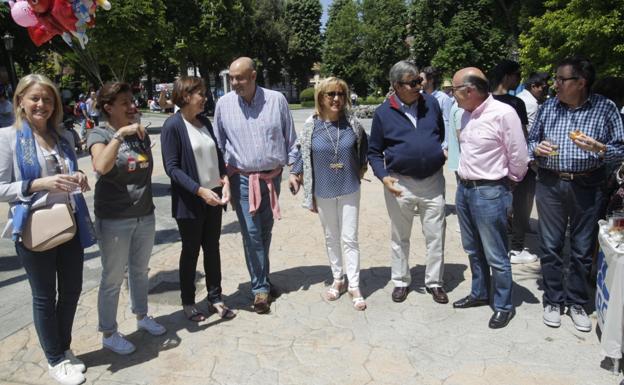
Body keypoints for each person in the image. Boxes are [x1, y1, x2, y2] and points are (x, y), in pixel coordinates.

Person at [0, 74, 92, 385]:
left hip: (69, 222)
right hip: (34, 227)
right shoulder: (8, 138)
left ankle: (63, 349)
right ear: (21, 101)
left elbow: (70, 170)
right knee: (44, 296)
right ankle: (54, 360)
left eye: (48, 99)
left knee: (71, 291)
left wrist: (78, 175)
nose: (42, 104)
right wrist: (38, 183)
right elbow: (0, 188)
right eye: (35, 98)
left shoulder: (62, 136)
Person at [528, 57, 624, 332]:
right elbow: (531, 139)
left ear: (580, 83)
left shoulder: (605, 109)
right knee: (550, 245)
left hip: (588, 184)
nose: (553, 84)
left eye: (560, 79)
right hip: (550, 183)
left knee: (582, 248)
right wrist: (537, 148)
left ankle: (578, 302)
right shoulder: (548, 107)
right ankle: (553, 300)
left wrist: (601, 149)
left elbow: (621, 147)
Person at [214, 57, 299, 314]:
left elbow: (291, 139)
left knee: (264, 233)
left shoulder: (277, 100)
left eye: (239, 77)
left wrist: (295, 171)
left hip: (272, 179)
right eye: (231, 78)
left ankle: (263, 278)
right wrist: (223, 178)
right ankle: (260, 289)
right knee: (251, 234)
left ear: (253, 76)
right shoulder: (223, 105)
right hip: (241, 179)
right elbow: (219, 145)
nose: (234, 83)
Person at [87, 82, 166, 356]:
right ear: (108, 108)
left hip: (144, 214)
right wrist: (119, 134)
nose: (132, 106)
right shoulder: (99, 133)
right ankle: (109, 332)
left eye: (132, 101)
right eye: (125, 103)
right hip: (114, 219)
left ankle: (142, 315)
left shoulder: (139, 133)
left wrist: (134, 131)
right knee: (112, 278)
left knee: (140, 271)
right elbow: (101, 166)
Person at [450, 67, 529, 329]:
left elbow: (518, 156)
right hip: (464, 189)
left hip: (490, 192)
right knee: (472, 248)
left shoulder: (504, 114)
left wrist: (510, 183)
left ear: (470, 90)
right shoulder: (464, 115)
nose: (453, 96)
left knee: (496, 253)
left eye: (455, 90)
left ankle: (503, 305)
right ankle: (480, 293)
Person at [368, 60, 448, 305]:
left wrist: (435, 153)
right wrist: (384, 177)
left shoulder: (431, 104)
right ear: (396, 85)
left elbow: (440, 135)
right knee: (400, 236)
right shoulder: (383, 113)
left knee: (436, 235)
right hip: (400, 184)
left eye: (419, 81)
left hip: (433, 182)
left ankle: (435, 282)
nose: (418, 86)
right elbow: (373, 152)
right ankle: (401, 281)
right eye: (412, 83)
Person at [160, 76, 235, 322]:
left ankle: (216, 298)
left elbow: (217, 152)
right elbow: (172, 168)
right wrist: (198, 190)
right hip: (191, 201)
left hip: (213, 197)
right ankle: (188, 302)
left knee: (212, 249)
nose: (205, 98)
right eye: (200, 93)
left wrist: (224, 179)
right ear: (185, 96)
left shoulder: (204, 122)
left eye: (204, 93)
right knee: (190, 251)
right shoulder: (173, 125)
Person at [291, 77, 368, 310]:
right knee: (331, 237)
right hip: (323, 189)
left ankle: (354, 284)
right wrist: (295, 174)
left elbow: (364, 147)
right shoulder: (311, 125)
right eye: (331, 94)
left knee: (349, 238)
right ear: (320, 98)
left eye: (341, 94)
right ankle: (338, 278)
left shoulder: (352, 123)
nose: (336, 99)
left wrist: (361, 167)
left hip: (349, 187)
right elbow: (301, 152)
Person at [489, 60, 537, 265]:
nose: (519, 80)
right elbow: (522, 138)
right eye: (518, 75)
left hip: (492, 164)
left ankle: (499, 246)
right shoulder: (516, 103)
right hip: (513, 163)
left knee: (497, 207)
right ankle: (517, 247)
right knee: (520, 205)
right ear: (508, 76)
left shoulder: (484, 101)